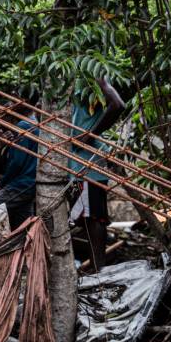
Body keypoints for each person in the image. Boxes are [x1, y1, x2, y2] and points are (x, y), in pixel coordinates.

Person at [68, 77, 125, 272]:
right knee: (82, 216)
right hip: (76, 166)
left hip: (88, 166)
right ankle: (96, 265)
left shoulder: (94, 76)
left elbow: (117, 104)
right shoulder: (71, 80)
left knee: (92, 217)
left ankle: (98, 268)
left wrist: (90, 134)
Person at [0, 103, 39, 229]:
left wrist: (0, 183)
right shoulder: (29, 127)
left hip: (20, 185)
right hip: (26, 186)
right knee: (21, 229)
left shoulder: (22, 126)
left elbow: (17, 163)